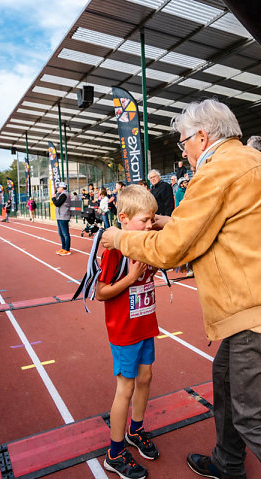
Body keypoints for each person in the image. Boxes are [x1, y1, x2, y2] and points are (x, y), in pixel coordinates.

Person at [101, 98, 261, 479]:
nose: (183, 151)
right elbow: (220, 223)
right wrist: (165, 220)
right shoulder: (259, 163)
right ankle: (227, 464)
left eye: (183, 142)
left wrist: (119, 238)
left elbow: (170, 250)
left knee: (256, 419)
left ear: (202, 136)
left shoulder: (216, 171)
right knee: (224, 381)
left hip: (254, 310)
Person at [96, 185, 160, 479]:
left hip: (146, 322)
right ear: (123, 217)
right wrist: (131, 278)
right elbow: (101, 293)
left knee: (145, 378)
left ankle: (136, 430)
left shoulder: (149, 243)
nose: (150, 225)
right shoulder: (114, 250)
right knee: (126, 388)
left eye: (152, 219)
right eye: (144, 220)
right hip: (124, 330)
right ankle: (115, 452)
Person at [52, 181, 71, 256]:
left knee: (65, 234)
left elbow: (57, 203)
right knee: (61, 233)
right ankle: (63, 248)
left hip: (64, 216)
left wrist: (53, 198)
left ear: (62, 188)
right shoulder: (61, 194)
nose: (57, 189)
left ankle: (67, 249)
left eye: (59, 187)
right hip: (60, 216)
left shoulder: (64, 194)